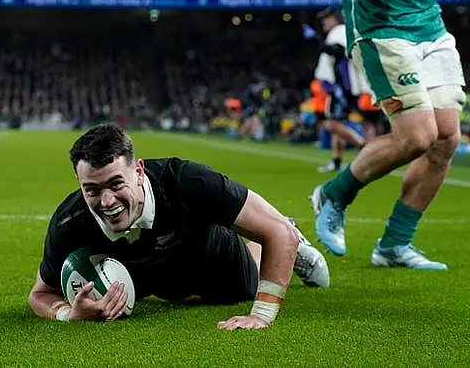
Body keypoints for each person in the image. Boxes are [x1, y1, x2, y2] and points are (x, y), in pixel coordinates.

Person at [29, 124, 330, 329]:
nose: (106, 201)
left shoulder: (186, 181)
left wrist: (261, 316)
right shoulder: (69, 221)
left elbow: (278, 234)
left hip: (208, 255)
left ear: (138, 171)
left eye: (116, 183)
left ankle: (279, 243)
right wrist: (69, 313)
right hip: (146, 275)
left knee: (247, 281)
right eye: (91, 189)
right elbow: (40, 294)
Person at [300, 0, 468, 268]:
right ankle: (333, 194)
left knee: (446, 138)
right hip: (381, 29)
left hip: (431, 30)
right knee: (417, 136)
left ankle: (394, 244)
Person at [312, 8, 366, 173]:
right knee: (338, 123)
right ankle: (336, 160)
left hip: (340, 85)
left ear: (335, 19)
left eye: (327, 19)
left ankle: (364, 147)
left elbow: (339, 52)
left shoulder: (340, 31)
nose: (324, 22)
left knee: (331, 124)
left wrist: (317, 41)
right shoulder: (339, 32)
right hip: (342, 85)